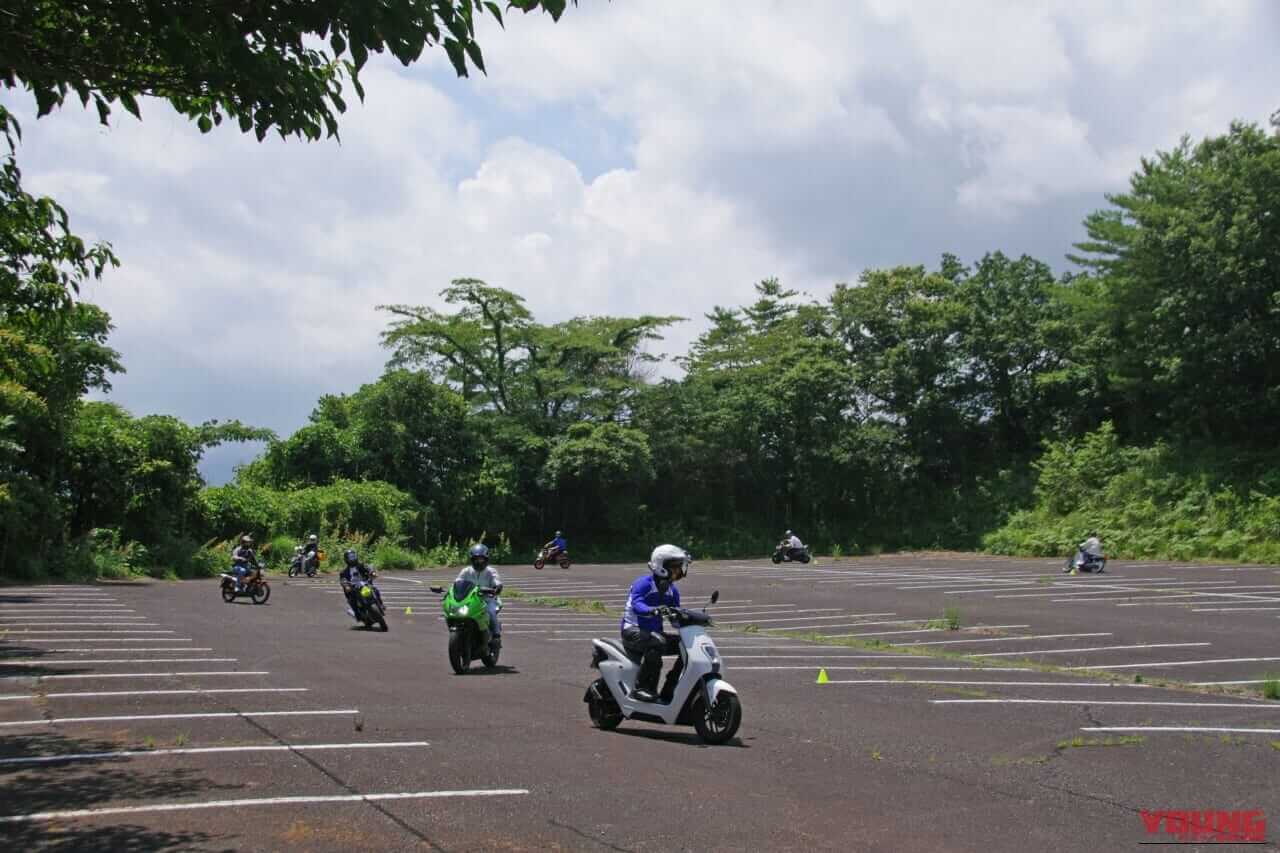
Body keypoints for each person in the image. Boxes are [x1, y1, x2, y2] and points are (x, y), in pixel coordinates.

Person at [621, 543, 689, 704]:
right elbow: (637, 605)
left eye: (680, 567)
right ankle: (642, 688)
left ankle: (670, 689)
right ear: (662, 567)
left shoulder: (673, 591)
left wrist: (690, 619)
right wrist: (652, 610)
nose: (679, 571)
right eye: (675, 567)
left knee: (686, 646)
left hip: (653, 634)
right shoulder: (643, 583)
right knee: (656, 641)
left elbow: (675, 615)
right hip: (632, 630)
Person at [455, 543, 503, 648]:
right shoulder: (466, 571)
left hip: (488, 600)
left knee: (490, 611)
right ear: (472, 560)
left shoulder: (491, 571)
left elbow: (496, 580)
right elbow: (458, 582)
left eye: (481, 559)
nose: (479, 562)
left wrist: (498, 586)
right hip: (470, 600)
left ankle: (496, 636)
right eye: (476, 559)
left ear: (486, 559)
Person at [339, 548, 380, 618]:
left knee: (375, 589)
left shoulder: (361, 565)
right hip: (353, 588)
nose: (352, 559)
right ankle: (357, 613)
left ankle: (380, 603)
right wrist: (346, 586)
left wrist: (372, 573)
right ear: (346, 559)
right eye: (350, 557)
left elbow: (369, 568)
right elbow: (343, 580)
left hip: (364, 583)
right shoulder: (344, 571)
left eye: (353, 556)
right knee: (351, 600)